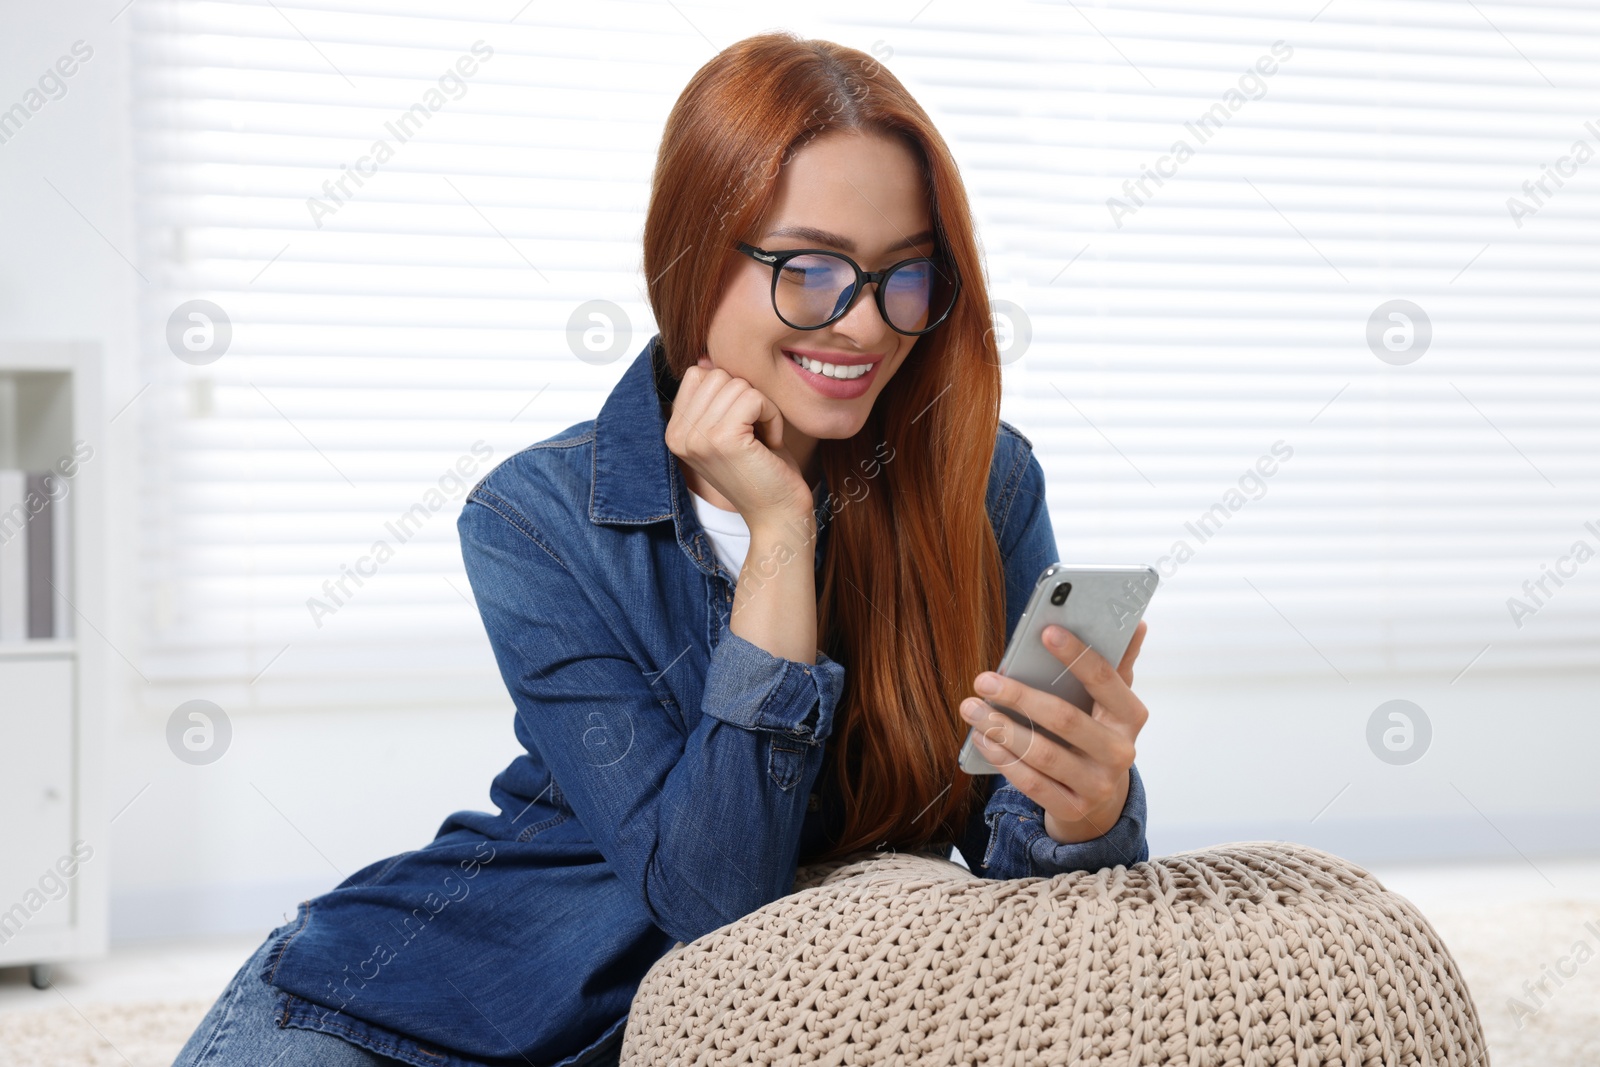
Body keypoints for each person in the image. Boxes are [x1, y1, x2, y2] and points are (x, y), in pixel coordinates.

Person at [171, 29, 1152, 1067]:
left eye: (904, 275)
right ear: (691, 252)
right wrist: (777, 536)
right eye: (810, 268)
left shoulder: (981, 481)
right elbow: (714, 898)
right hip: (421, 1014)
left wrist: (1086, 810)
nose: (863, 327)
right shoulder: (534, 517)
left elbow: (1029, 903)